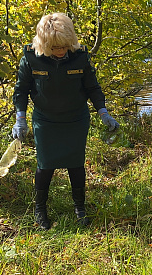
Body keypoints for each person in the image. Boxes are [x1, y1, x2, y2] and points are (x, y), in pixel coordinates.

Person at [12, 13, 119, 230]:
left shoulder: (80, 56)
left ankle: (80, 207)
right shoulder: (31, 56)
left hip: (75, 119)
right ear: (44, 44)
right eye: (54, 48)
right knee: (45, 164)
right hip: (46, 120)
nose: (60, 52)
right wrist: (20, 119)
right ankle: (40, 208)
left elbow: (92, 87)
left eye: (64, 47)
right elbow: (21, 90)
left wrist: (103, 112)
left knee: (76, 163)